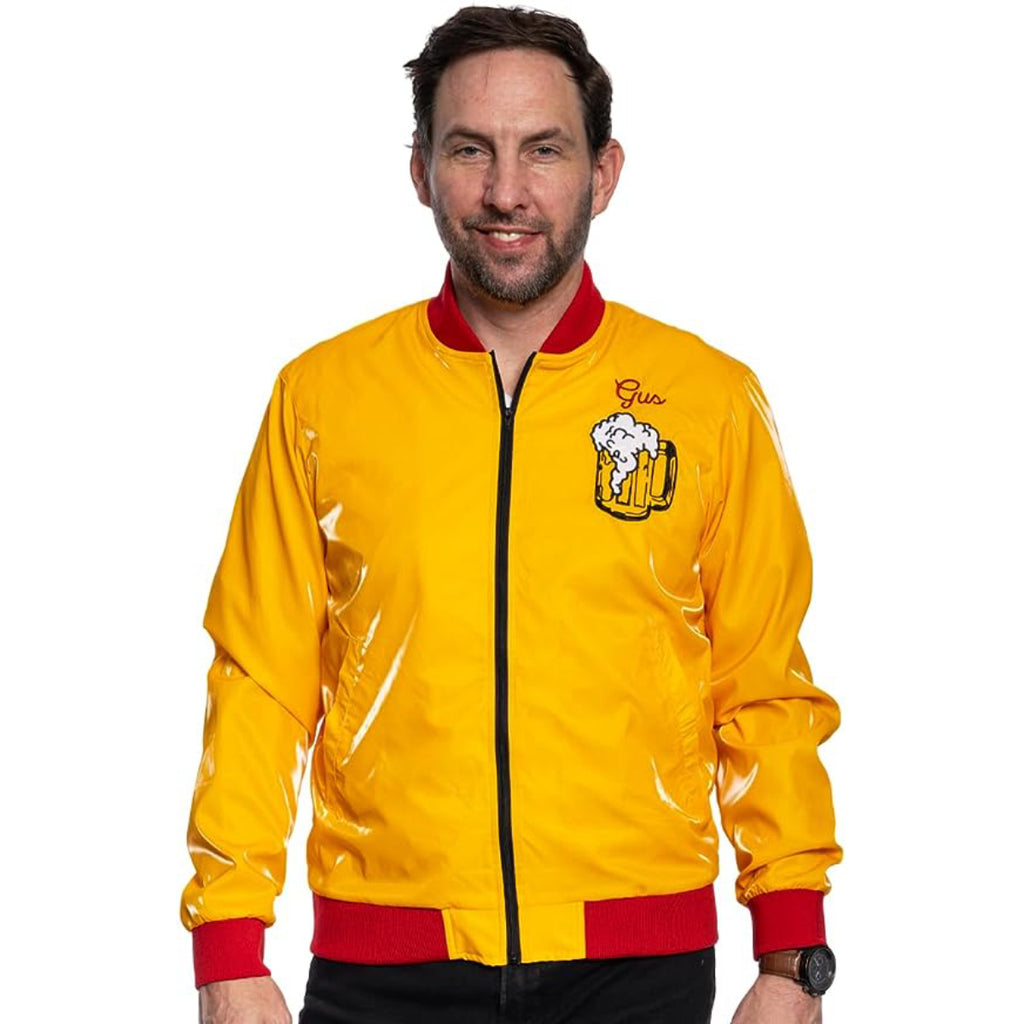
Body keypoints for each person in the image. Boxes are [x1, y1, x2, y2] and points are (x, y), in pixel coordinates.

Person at [180, 6, 842, 1023]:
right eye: (469, 150)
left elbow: (762, 686)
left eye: (543, 149)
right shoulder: (322, 397)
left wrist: (792, 954)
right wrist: (228, 946)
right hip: (383, 962)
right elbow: (260, 682)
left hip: (638, 965)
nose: (505, 191)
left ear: (603, 173)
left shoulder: (708, 401)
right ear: (419, 170)